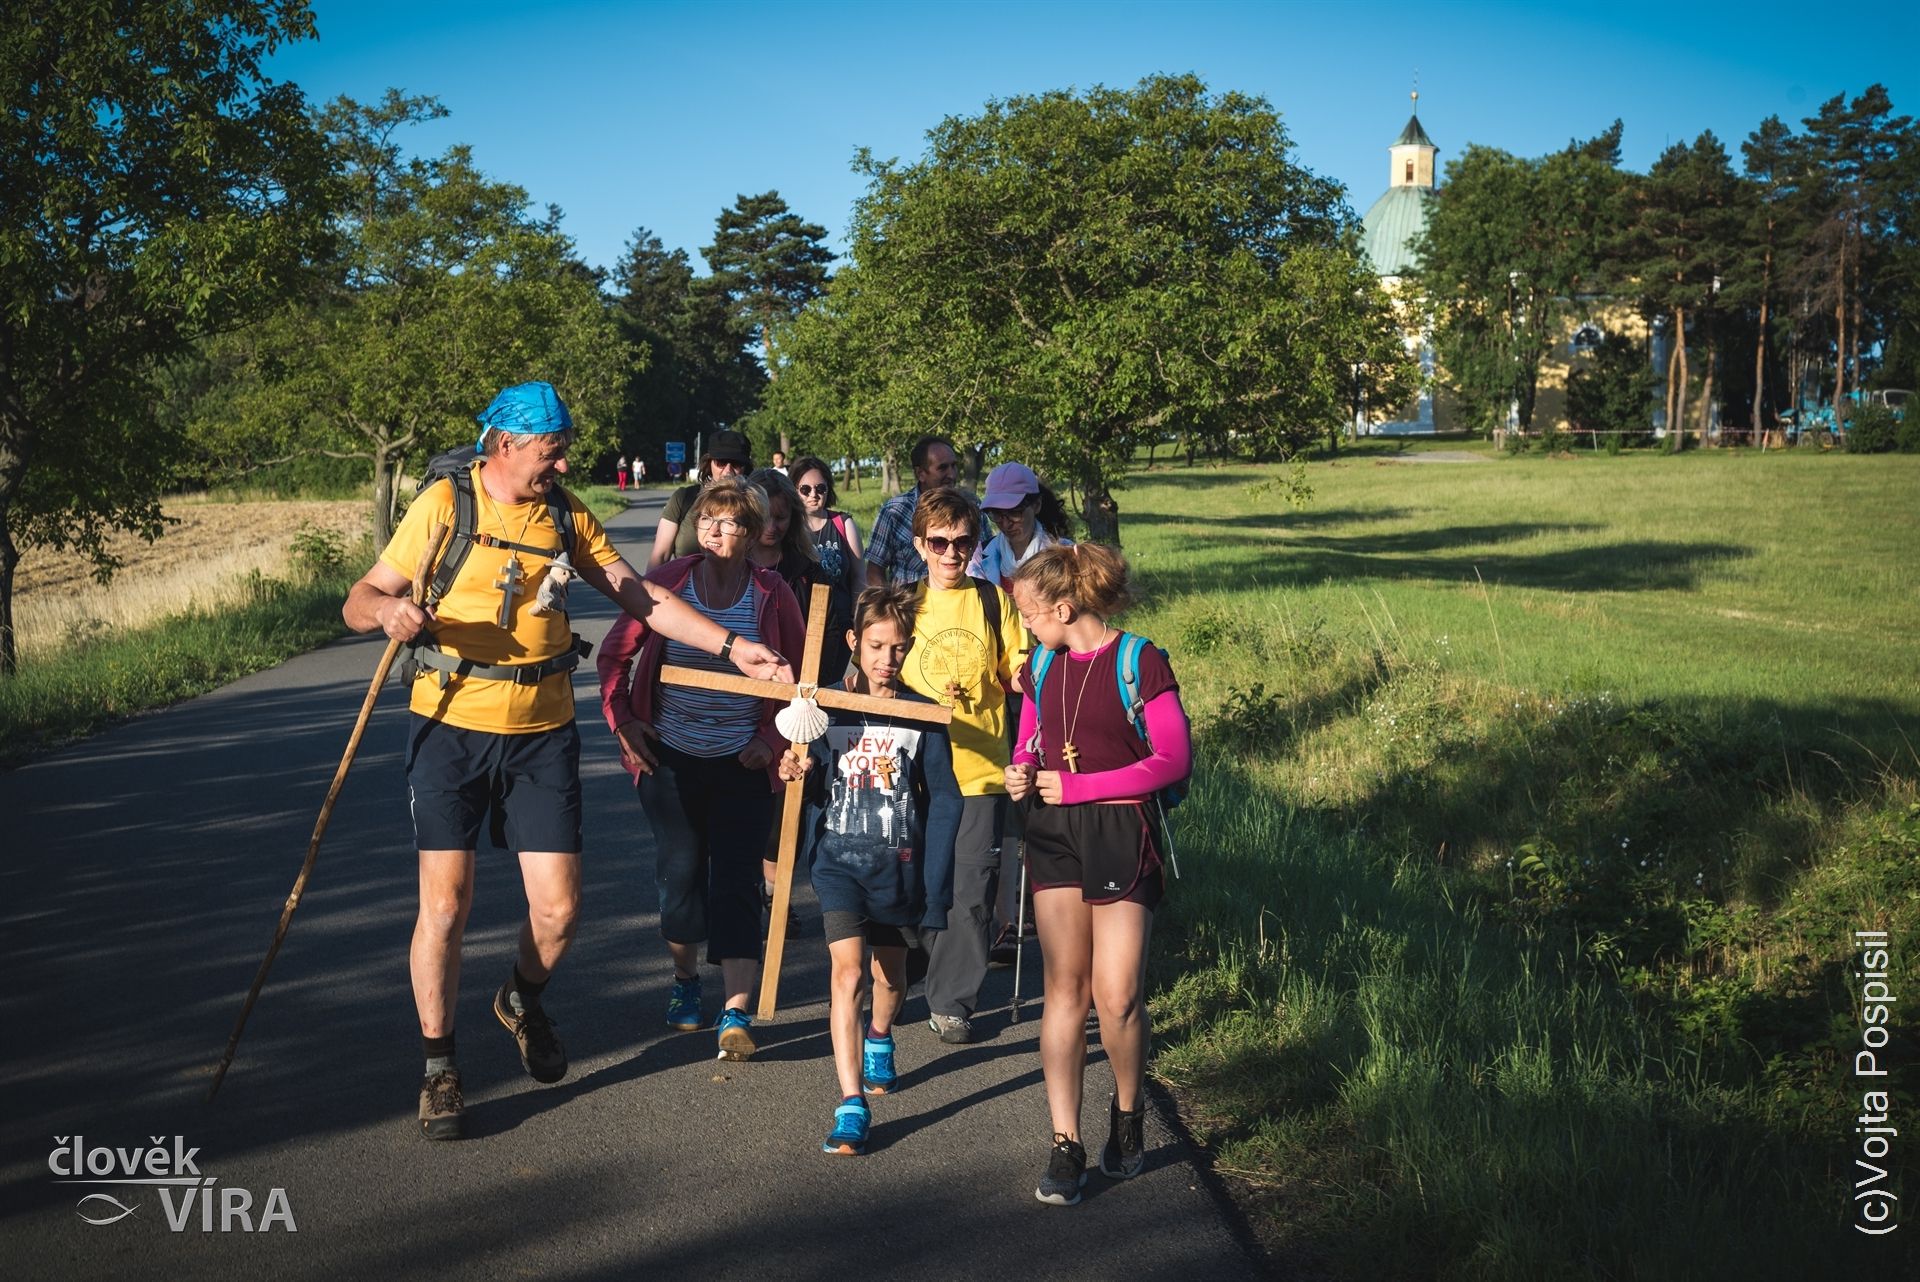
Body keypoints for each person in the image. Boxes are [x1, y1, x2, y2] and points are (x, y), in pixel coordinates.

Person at [343, 382, 791, 1142]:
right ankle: (440, 1067)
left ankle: (520, 996)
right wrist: (386, 612)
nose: (563, 461)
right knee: (445, 905)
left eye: (565, 449)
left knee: (557, 911)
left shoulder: (565, 513)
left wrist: (730, 644)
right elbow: (362, 597)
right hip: (449, 723)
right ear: (506, 444)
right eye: (552, 449)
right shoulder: (445, 508)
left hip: (541, 730)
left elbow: (640, 596)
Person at [1004, 544, 1191, 1206]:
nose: (1022, 624)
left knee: (1116, 996)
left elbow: (1172, 759)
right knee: (1066, 988)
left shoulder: (1140, 660)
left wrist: (1081, 786)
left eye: (1028, 612)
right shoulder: (1039, 665)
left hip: (1120, 832)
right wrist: (1019, 771)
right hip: (1053, 835)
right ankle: (1065, 1143)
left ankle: (1129, 1110)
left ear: (1063, 607)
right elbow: (1030, 738)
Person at [597, 475, 805, 1062]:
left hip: (744, 760)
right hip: (670, 758)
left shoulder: (772, 593)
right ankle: (686, 979)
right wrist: (625, 723)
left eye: (733, 521)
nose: (719, 531)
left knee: (737, 882)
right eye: (709, 520)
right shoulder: (666, 584)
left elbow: (794, 678)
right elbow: (615, 656)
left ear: (754, 531)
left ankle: (734, 1009)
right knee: (681, 875)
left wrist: (769, 737)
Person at [777, 585, 961, 1155]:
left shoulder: (921, 715)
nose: (887, 660)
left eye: (898, 648)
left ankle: (881, 1035)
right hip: (839, 865)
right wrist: (793, 767)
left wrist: (936, 887)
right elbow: (806, 777)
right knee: (848, 975)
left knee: (889, 980)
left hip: (899, 869)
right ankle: (850, 1103)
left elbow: (947, 799)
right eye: (876, 646)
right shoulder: (822, 706)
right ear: (855, 642)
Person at [898, 486, 1026, 1044]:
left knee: (973, 886)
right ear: (919, 543)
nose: (951, 553)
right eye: (939, 542)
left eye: (964, 542)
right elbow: (876, 664)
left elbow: (1019, 668)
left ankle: (952, 1001)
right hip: (913, 770)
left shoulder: (994, 601)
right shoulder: (902, 604)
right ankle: (907, 971)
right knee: (915, 881)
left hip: (981, 764)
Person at [747, 465, 834, 933]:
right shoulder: (725, 564)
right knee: (746, 802)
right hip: (742, 701)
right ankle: (747, 891)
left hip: (797, 701)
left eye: (783, 517)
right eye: (766, 515)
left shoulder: (807, 572)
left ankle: (776, 897)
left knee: (790, 802)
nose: (774, 526)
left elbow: (829, 636)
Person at [648, 429, 754, 567]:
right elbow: (660, 557)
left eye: (736, 464)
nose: (728, 470)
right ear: (709, 462)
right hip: (680, 587)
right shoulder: (684, 498)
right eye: (721, 462)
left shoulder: (753, 504)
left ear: (746, 467)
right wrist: (647, 587)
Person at [864, 435, 959, 588]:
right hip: (910, 607)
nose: (952, 474)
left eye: (954, 466)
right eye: (942, 468)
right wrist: (887, 608)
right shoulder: (894, 511)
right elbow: (874, 570)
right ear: (921, 473)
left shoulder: (971, 507)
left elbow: (985, 559)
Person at [977, 462, 1074, 590]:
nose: (1006, 523)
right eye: (996, 514)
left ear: (1036, 505)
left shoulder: (1067, 555)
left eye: (1015, 512)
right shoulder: (978, 557)